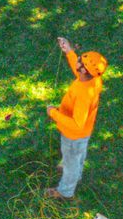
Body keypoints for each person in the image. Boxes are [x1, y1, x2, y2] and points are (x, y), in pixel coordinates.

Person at [45, 37, 107, 200]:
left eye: (80, 60)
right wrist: (69, 51)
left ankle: (65, 191)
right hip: (83, 134)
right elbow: (77, 68)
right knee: (77, 157)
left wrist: (54, 113)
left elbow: (77, 124)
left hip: (73, 135)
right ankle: (75, 173)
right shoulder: (92, 79)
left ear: (85, 70)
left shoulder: (83, 95)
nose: (78, 60)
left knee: (71, 162)